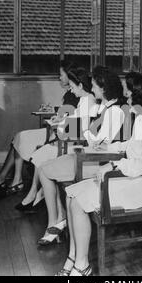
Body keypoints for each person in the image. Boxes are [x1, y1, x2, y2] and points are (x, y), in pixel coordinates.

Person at [55, 72, 142, 276]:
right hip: (131, 178)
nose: (126, 96)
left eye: (129, 93)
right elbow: (133, 147)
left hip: (140, 186)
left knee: (77, 201)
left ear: (137, 95)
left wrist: (114, 166)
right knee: (71, 194)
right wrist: (113, 145)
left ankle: (81, 265)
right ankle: (74, 256)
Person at [35, 66, 127, 244]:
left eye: (93, 86)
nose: (91, 89)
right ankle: (59, 218)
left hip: (98, 164)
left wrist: (84, 131)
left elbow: (101, 144)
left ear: (104, 89)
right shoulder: (105, 107)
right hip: (91, 157)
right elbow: (94, 136)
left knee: (44, 171)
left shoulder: (114, 112)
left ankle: (56, 221)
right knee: (43, 169)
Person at [0, 66, 95, 196]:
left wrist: (61, 125)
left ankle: (33, 192)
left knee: (37, 150)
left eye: (73, 86)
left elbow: (81, 128)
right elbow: (75, 119)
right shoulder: (84, 99)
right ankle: (33, 192)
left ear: (80, 85)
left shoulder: (88, 100)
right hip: (68, 137)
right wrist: (62, 120)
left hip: (73, 142)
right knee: (29, 144)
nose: (71, 90)